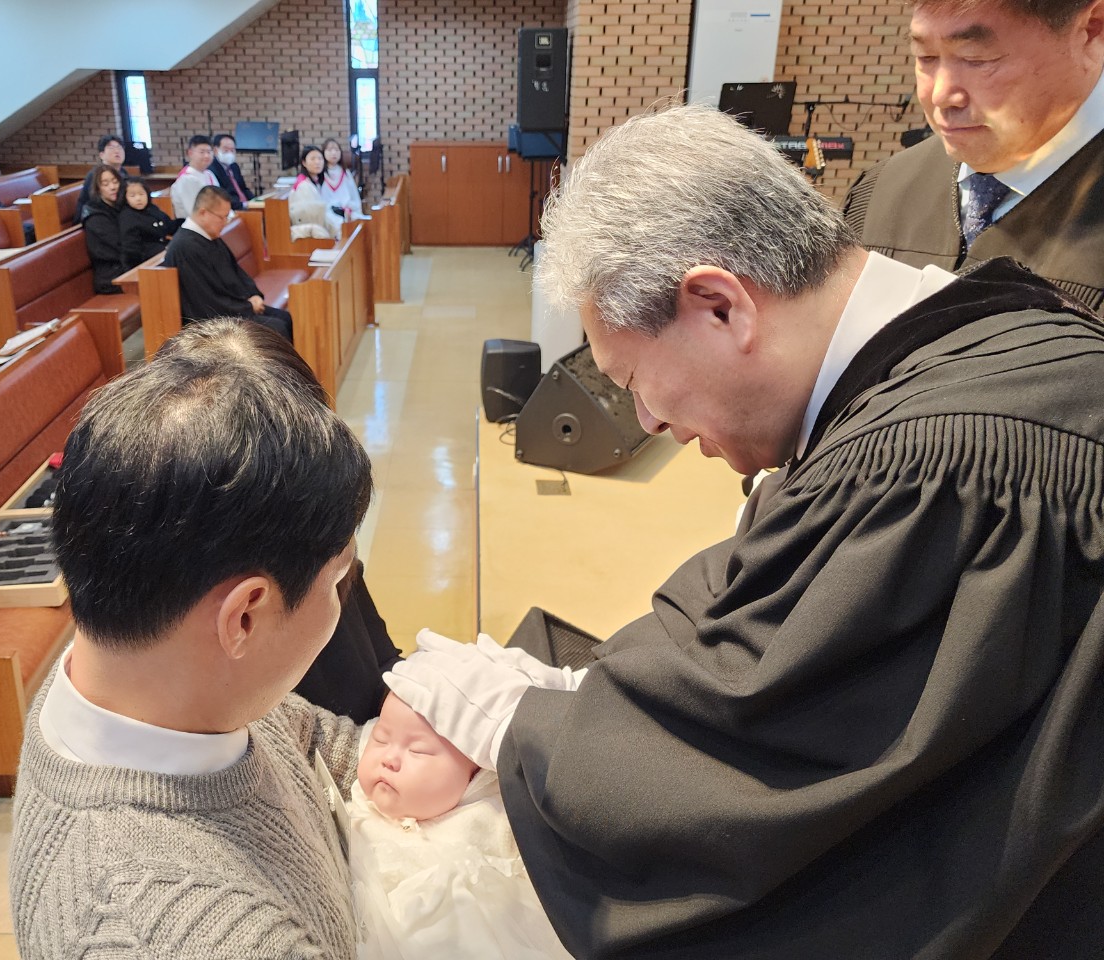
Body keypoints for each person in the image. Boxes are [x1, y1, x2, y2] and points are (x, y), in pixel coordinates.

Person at [388, 102, 1104, 960]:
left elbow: (762, 774)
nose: (647, 422)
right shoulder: (965, 338)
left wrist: (519, 726)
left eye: (631, 379)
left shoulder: (944, 474)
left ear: (719, 306)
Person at [8, 318, 373, 959]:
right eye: (337, 579)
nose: (341, 603)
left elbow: (304, 736)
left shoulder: (140, 684)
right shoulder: (164, 932)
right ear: (245, 616)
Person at [844, 0, 1104, 309]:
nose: (940, 95)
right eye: (925, 57)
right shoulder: (881, 194)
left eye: (976, 58)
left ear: (1091, 30)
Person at [346, 688, 572, 960]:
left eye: (418, 751)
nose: (389, 759)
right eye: (381, 739)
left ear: (475, 772)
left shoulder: (491, 817)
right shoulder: (359, 804)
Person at [161, 186, 293, 342]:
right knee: (277, 328)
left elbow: (236, 272)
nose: (225, 223)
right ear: (203, 213)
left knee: (286, 318)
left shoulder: (209, 236)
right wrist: (248, 307)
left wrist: (254, 294)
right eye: (222, 217)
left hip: (235, 307)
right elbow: (205, 302)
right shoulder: (185, 248)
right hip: (214, 322)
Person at [118, 177, 182, 268]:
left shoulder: (152, 209)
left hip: (162, 254)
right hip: (144, 262)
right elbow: (131, 249)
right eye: (132, 196)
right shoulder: (127, 217)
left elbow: (170, 226)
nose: (138, 198)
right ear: (125, 198)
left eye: (141, 194)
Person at [80, 164, 125, 294]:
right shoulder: (95, 217)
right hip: (110, 276)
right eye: (105, 184)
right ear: (97, 189)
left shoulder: (120, 206)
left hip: (124, 267)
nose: (113, 187)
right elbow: (120, 246)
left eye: (115, 182)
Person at [289, 144, 341, 240]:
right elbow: (312, 217)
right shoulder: (304, 186)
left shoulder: (314, 181)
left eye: (320, 158)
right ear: (304, 163)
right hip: (310, 231)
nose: (317, 162)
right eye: (312, 159)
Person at [75, 134, 126, 222]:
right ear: (102, 155)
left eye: (119, 147)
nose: (117, 151)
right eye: (111, 148)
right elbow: (96, 203)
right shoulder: (95, 175)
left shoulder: (123, 172)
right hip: (96, 218)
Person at [169, 134, 218, 219]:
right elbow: (194, 212)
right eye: (202, 152)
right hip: (193, 223)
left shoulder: (209, 174)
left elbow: (219, 200)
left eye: (209, 152)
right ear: (190, 153)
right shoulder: (186, 179)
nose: (206, 156)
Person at [322, 138, 362, 220]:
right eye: (329, 150)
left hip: (347, 212)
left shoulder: (345, 173)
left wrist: (349, 208)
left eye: (337, 150)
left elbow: (354, 197)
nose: (334, 153)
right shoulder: (320, 174)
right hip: (328, 212)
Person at [210, 132, 252, 208]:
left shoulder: (234, 166)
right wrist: (244, 205)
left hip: (245, 206)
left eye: (232, 150)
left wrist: (255, 200)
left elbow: (243, 188)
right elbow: (222, 195)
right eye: (226, 150)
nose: (229, 153)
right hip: (231, 208)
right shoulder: (212, 169)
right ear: (216, 150)